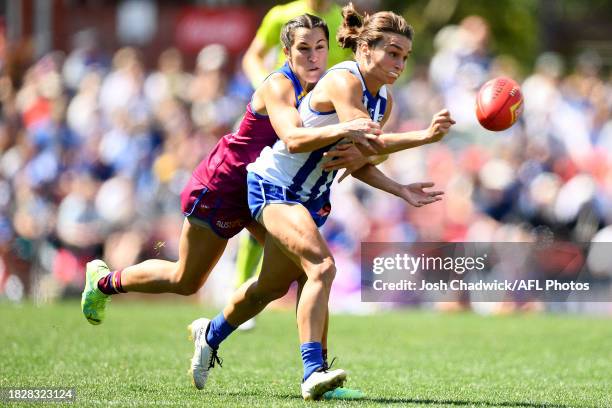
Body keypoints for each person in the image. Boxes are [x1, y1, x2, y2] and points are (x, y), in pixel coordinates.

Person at [190, 4, 455, 401]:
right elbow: (370, 139)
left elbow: (358, 159)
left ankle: (209, 334)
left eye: (404, 56)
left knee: (269, 288)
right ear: (365, 50)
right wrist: (425, 137)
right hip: (274, 187)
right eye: (392, 53)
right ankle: (314, 374)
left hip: (311, 198)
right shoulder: (344, 81)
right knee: (322, 267)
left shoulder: (385, 100)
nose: (399, 63)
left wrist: (399, 188)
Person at [236, 0, 353, 332]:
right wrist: (272, 84)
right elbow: (252, 56)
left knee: (303, 202)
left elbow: (347, 72)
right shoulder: (280, 14)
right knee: (260, 196)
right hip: (279, 112)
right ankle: (243, 287)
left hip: (316, 115)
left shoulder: (338, 19)